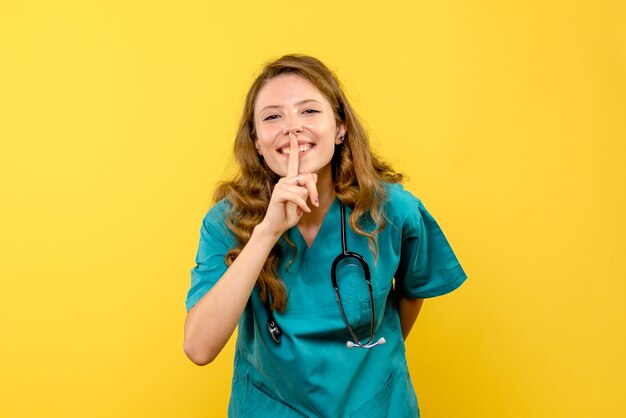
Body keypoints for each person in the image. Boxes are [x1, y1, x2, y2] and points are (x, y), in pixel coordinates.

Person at [183, 54, 467, 417]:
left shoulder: (394, 210)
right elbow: (199, 348)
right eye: (272, 116)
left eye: (309, 111)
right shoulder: (227, 221)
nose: (292, 128)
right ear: (256, 142)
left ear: (340, 128)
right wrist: (267, 232)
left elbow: (413, 293)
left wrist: (369, 360)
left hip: (375, 406)